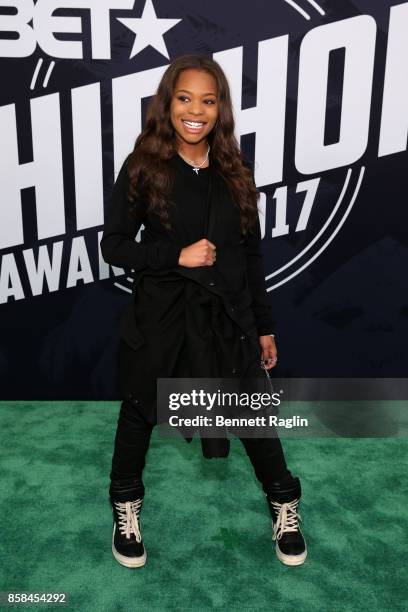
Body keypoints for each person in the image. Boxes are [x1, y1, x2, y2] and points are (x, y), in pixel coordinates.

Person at [100, 54, 307, 569]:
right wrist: (178, 255)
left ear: (221, 109)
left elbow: (252, 256)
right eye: (185, 98)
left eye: (208, 100)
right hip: (163, 317)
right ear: (168, 104)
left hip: (228, 318)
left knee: (254, 416)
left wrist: (263, 326)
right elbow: (115, 246)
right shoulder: (143, 167)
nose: (196, 111)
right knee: (142, 411)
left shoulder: (235, 170)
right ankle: (126, 508)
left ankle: (285, 505)